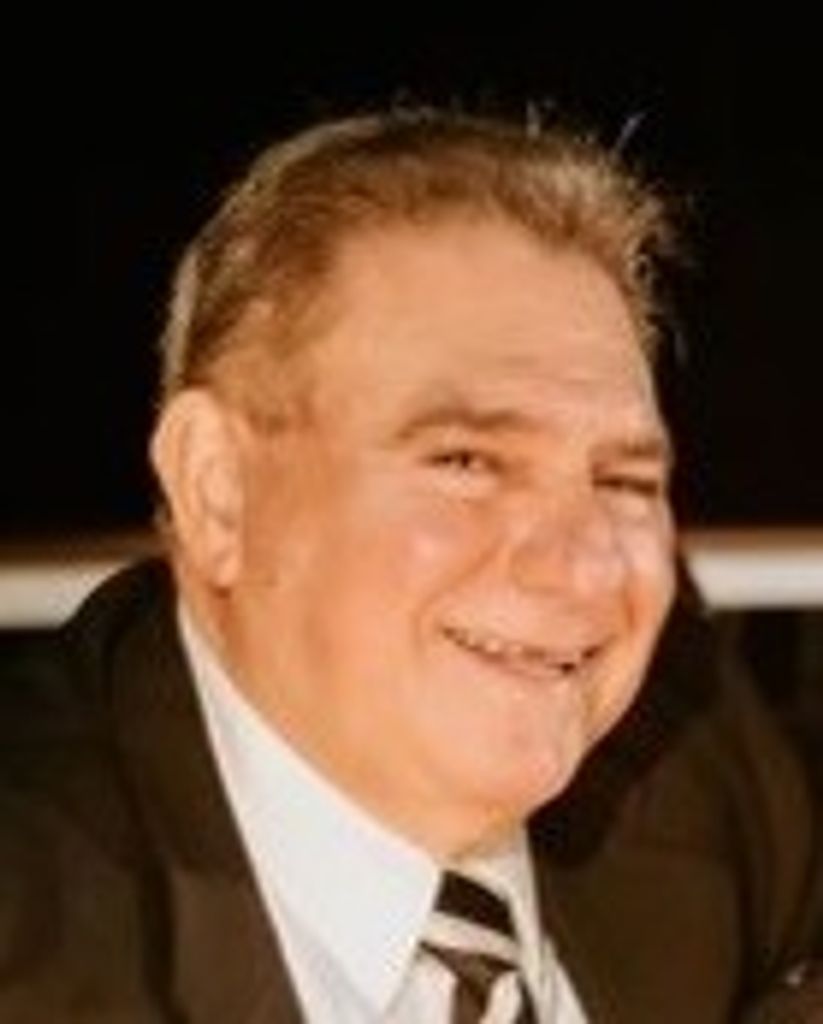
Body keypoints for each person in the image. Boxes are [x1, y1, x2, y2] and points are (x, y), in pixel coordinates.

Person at [0, 107, 819, 1022]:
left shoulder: (695, 756)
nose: (582, 569)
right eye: (467, 462)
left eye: (622, 480)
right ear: (217, 488)